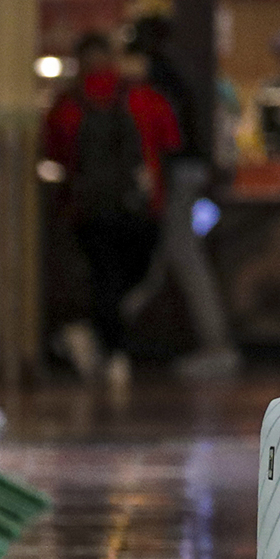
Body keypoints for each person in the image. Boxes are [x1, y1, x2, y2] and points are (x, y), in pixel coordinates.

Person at [41, 31, 182, 391]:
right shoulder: (143, 98)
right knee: (133, 279)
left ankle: (107, 347)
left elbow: (55, 156)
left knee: (103, 279)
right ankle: (110, 344)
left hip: (89, 211)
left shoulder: (66, 105)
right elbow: (171, 144)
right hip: (141, 209)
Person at [120, 14, 240, 379]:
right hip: (185, 174)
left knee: (183, 255)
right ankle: (116, 334)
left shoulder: (159, 77)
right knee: (172, 256)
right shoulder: (176, 72)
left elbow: (166, 141)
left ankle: (218, 346)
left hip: (177, 176)